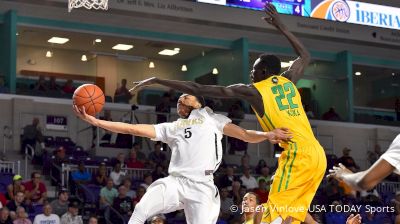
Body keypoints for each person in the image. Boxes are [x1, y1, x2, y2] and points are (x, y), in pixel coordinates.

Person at [129, 3, 325, 224]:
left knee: (273, 215)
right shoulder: (288, 81)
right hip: (318, 155)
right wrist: (282, 27)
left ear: (262, 71)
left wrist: (158, 80)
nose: (251, 73)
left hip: (297, 154)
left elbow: (199, 88)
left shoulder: (255, 91)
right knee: (293, 214)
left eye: (254, 69)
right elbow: (305, 56)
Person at [73, 92, 291, 224]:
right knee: (141, 209)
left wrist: (267, 134)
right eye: (178, 99)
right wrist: (98, 122)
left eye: (185, 97)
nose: (180, 100)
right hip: (175, 182)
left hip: (202, 186)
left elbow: (244, 135)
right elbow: (134, 129)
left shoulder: (212, 119)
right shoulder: (173, 127)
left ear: (197, 103)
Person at [328, 134, 400, 191]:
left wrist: (344, 174)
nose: (348, 152)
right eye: (347, 151)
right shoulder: (341, 159)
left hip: (357, 176)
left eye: (348, 151)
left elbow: (365, 182)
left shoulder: (351, 158)